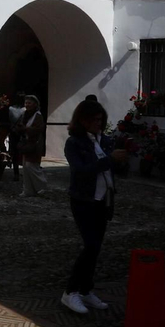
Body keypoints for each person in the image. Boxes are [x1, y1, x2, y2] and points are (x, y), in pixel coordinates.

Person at [62, 98, 125, 314]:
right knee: (90, 246)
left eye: (101, 119)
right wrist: (109, 160)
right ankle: (70, 292)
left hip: (103, 200)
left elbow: (109, 170)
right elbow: (81, 171)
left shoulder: (104, 141)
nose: (99, 123)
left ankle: (86, 290)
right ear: (83, 121)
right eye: (95, 120)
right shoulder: (74, 143)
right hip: (83, 200)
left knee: (95, 248)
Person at [17, 94, 48, 197]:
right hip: (26, 143)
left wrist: (25, 129)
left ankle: (42, 186)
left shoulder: (38, 115)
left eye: (29, 103)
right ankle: (28, 190)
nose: (27, 105)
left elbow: (39, 129)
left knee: (31, 166)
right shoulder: (24, 114)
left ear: (35, 104)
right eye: (26, 103)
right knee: (25, 167)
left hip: (35, 143)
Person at [7, 92, 27, 180]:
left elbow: (10, 120)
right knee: (22, 153)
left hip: (14, 132)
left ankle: (16, 174)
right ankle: (22, 173)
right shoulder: (25, 109)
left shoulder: (11, 108)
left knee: (15, 153)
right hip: (22, 132)